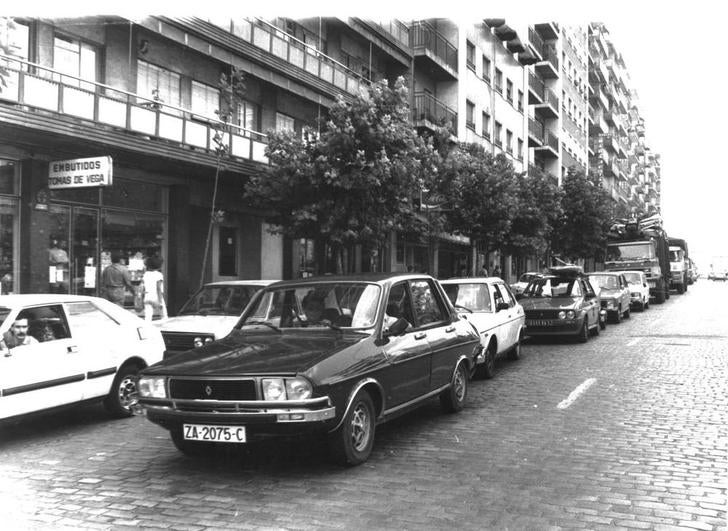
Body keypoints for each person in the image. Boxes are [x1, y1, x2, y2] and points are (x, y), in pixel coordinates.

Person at [142, 256, 167, 321]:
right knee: (164, 316)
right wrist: (160, 302)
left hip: (147, 296)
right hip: (156, 296)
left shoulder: (145, 274)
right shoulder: (159, 275)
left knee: (148, 317)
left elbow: (143, 287)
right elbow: (158, 288)